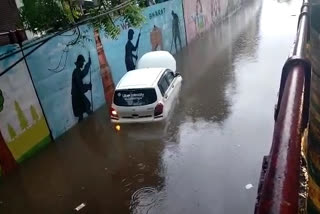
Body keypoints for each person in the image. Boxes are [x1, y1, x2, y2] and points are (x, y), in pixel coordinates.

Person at [71, 54, 92, 122]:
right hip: (77, 95)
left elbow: (83, 73)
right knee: (86, 106)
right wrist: (87, 87)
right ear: (79, 62)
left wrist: (88, 64)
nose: (83, 63)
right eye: (82, 62)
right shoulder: (76, 72)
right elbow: (80, 86)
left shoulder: (77, 71)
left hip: (77, 95)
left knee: (84, 108)